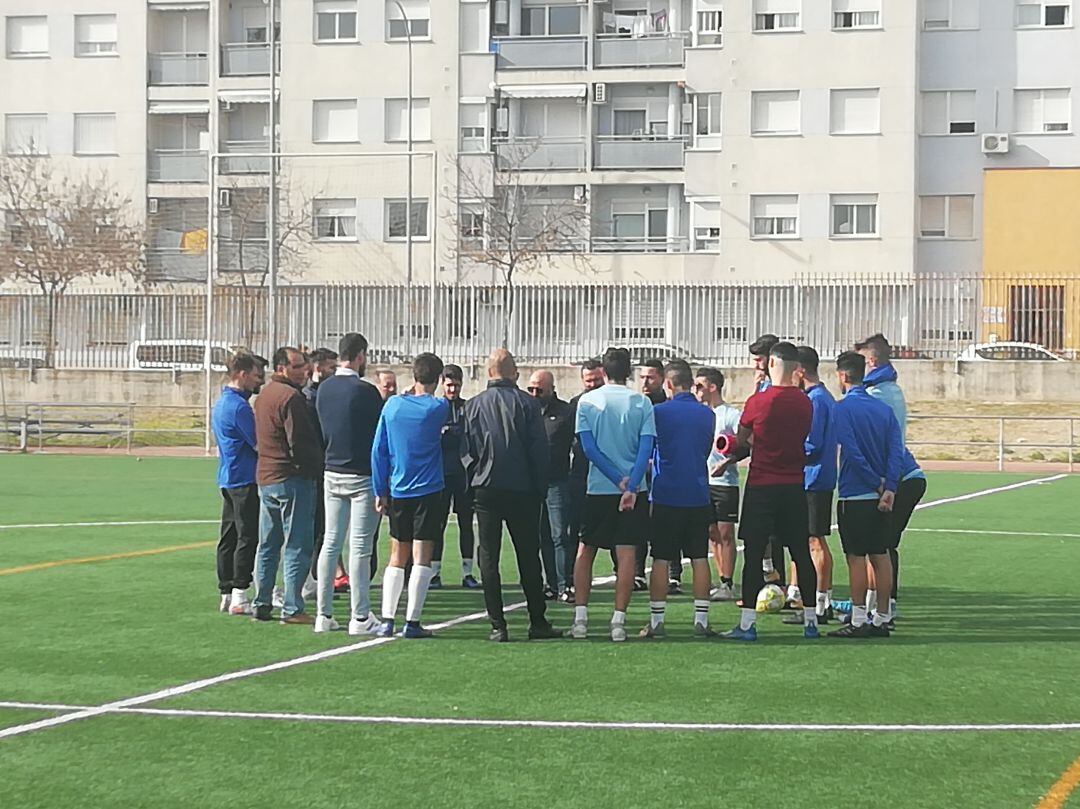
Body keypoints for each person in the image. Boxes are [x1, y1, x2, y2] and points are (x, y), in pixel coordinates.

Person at [714, 342, 818, 641]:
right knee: (800, 552)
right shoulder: (804, 402)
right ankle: (810, 621)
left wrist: (733, 451)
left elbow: (741, 440)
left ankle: (747, 624)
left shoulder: (759, 401)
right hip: (793, 485)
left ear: (772, 363)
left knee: (755, 554)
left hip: (762, 485)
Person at [461, 350, 561, 643]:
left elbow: (466, 452)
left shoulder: (474, 405)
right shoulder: (528, 404)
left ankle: (497, 624)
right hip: (523, 489)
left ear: (487, 371)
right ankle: (537, 621)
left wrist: (473, 483)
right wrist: (539, 488)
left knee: (488, 556)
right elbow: (538, 450)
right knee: (528, 555)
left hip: (485, 488)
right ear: (514, 372)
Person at [571, 347, 656, 643]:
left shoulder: (587, 401)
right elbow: (646, 448)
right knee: (628, 553)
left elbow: (590, 449)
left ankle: (580, 618)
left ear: (604, 373)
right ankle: (618, 621)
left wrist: (618, 482)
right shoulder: (642, 402)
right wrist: (631, 485)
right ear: (629, 371)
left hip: (600, 488)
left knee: (586, 549)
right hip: (633, 489)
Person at [371, 353, 449, 639]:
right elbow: (437, 403)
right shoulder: (438, 407)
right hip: (428, 489)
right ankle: (412, 622)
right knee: (422, 556)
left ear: (413, 375)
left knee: (396, 554)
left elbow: (378, 450)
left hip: (398, 488)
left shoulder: (392, 406)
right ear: (439, 379)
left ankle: (387, 619)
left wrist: (380, 489)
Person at [826, 351, 903, 639]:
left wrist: (876, 483)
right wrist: (891, 486)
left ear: (843, 376)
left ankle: (858, 619)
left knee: (856, 558)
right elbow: (896, 449)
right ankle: (882, 617)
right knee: (880, 556)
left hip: (856, 495)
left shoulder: (841, 408)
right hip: (882, 496)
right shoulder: (884, 410)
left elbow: (852, 452)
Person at [312, 333, 384, 636]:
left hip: (332, 470)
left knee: (331, 543)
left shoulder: (324, 389)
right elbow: (378, 436)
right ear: (360, 355)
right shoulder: (366, 392)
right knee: (359, 547)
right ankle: (360, 615)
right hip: (360, 473)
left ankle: (323, 613)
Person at [641, 360, 717, 639]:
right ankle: (701, 619)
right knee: (699, 557)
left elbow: (649, 449)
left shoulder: (658, 412)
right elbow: (706, 449)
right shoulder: (707, 415)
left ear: (668, 383)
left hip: (666, 493)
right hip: (697, 492)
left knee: (660, 557)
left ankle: (657, 621)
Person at [251, 346, 323, 625]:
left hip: (266, 477)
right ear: (282, 368)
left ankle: (262, 601)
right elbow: (300, 443)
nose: (304, 371)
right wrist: (314, 468)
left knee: (268, 544)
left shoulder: (264, 395)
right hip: (292, 478)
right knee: (296, 544)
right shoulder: (291, 397)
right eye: (297, 366)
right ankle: (292, 607)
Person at [783, 346, 839, 626]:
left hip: (814, 478)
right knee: (809, 539)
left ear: (800, 371)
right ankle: (813, 598)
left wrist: (783, 450)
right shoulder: (820, 397)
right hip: (815, 477)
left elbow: (812, 443)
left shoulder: (816, 400)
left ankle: (820, 603)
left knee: (815, 540)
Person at [212, 350, 261, 616]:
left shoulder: (221, 403)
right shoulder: (239, 407)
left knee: (229, 536)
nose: (257, 381)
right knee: (247, 535)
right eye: (254, 376)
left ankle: (226, 590)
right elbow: (257, 443)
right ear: (242, 374)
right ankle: (240, 592)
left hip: (227, 477)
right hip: (243, 477)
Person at [527, 370, 575, 600]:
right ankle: (551, 584)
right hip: (532, 484)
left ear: (551, 389)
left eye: (539, 390)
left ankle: (565, 584)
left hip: (557, 482)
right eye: (531, 389)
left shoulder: (566, 412)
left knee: (559, 536)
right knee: (542, 536)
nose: (534, 394)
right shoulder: (525, 410)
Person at [693, 367, 740, 602]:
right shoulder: (699, 414)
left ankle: (728, 581)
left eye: (700, 385)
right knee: (711, 533)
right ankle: (721, 578)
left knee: (725, 533)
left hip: (725, 482)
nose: (696, 390)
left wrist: (728, 461)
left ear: (712, 386)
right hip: (702, 481)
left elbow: (746, 444)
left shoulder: (730, 414)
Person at [432, 364, 480, 590]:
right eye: (449, 385)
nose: (453, 389)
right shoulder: (435, 407)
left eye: (457, 385)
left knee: (465, 525)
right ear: (442, 383)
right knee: (437, 525)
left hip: (463, 476)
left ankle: (468, 573)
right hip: (440, 475)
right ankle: (434, 573)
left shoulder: (468, 408)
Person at [303, 347, 344, 596]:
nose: (335, 371)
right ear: (318, 368)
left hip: (327, 465)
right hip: (316, 468)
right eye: (331, 366)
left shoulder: (327, 394)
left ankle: (327, 575)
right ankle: (316, 576)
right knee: (317, 525)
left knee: (328, 525)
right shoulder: (309, 397)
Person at [637, 357, 680, 594]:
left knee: (667, 521)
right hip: (642, 473)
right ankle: (638, 573)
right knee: (640, 521)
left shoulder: (667, 405)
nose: (645, 381)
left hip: (664, 472)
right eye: (642, 377)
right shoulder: (638, 404)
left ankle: (674, 574)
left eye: (650, 377)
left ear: (662, 379)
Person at [563, 360, 605, 603]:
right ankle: (569, 582)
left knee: (616, 534)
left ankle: (628, 576)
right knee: (575, 533)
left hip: (609, 478)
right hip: (580, 477)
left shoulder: (610, 404)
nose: (592, 385)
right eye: (588, 380)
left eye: (596, 380)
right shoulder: (575, 405)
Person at [747, 333, 786, 591]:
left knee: (779, 531)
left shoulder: (785, 387)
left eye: (759, 358)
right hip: (760, 464)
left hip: (780, 468)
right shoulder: (761, 386)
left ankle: (781, 581)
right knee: (760, 530)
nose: (755, 363)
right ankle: (768, 575)